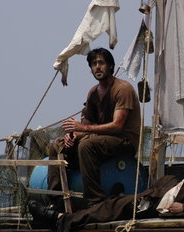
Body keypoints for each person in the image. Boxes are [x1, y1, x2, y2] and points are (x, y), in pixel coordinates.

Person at [46, 47, 141, 211]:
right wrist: (73, 134)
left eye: (101, 63)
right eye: (94, 64)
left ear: (110, 66)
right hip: (100, 138)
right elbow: (86, 126)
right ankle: (56, 200)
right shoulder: (93, 93)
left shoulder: (122, 89)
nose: (97, 67)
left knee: (86, 146)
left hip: (124, 140)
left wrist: (82, 128)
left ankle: (95, 202)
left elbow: (117, 126)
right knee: (57, 145)